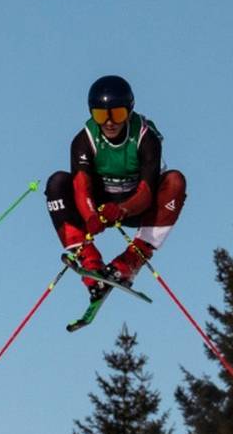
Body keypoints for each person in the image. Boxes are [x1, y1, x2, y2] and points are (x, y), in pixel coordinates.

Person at [45, 75, 186, 301]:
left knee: (175, 182)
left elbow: (147, 193)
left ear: (129, 111)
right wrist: (91, 216)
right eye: (101, 115)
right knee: (57, 183)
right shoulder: (84, 140)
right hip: (99, 205)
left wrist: (121, 210)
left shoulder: (145, 139)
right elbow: (81, 186)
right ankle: (89, 262)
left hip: (135, 206)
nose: (109, 122)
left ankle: (131, 261)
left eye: (117, 114)